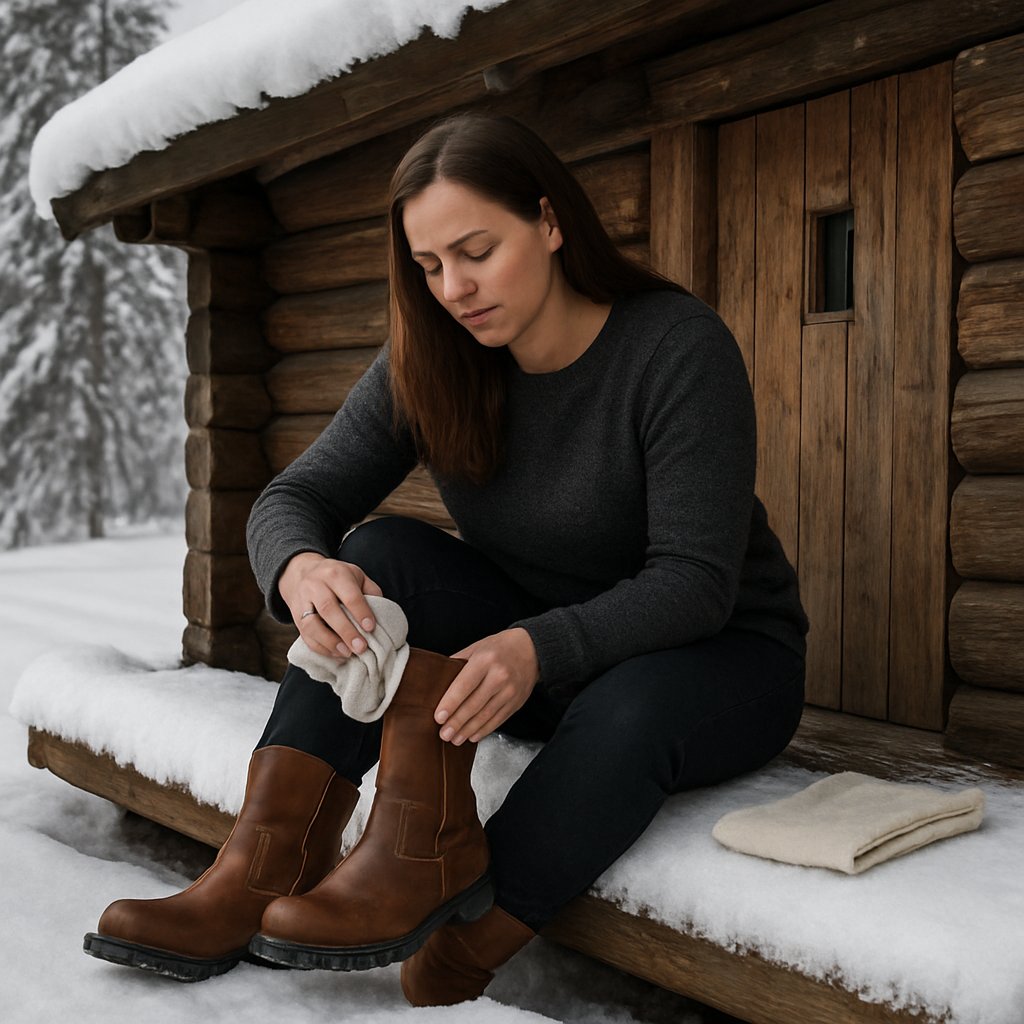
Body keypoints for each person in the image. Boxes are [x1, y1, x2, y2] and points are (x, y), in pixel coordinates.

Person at [84, 112, 808, 1003]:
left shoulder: (673, 347)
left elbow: (695, 583)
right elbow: (292, 499)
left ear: (549, 222)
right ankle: (260, 871)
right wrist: (300, 568)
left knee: (634, 702)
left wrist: (537, 645)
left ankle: (469, 940)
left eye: (476, 251)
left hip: (716, 659)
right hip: (540, 657)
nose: (454, 289)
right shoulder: (435, 354)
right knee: (379, 553)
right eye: (429, 266)